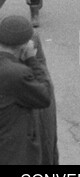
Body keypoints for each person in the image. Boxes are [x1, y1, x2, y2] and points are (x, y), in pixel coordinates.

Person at [0, 14, 54, 166]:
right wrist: (32, 60)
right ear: (24, 46)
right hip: (12, 153)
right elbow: (45, 97)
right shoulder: (18, 74)